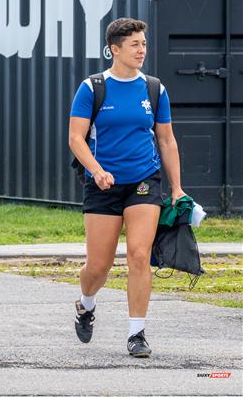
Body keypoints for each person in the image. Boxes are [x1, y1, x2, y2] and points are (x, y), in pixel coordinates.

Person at [68, 18, 186, 357]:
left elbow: (166, 140)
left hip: (144, 181)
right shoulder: (92, 88)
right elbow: (76, 138)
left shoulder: (154, 89)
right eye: (134, 44)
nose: (141, 50)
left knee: (138, 255)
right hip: (102, 184)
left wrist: (177, 188)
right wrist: (97, 170)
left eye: (144, 44)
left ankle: (137, 333)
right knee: (98, 266)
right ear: (114, 49)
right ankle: (86, 304)